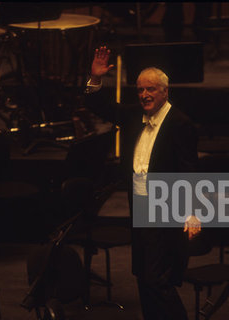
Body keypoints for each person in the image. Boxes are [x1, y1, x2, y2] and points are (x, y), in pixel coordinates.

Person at [84, 46, 199, 319]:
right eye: (140, 90)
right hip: (139, 200)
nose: (145, 95)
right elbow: (98, 105)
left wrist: (193, 211)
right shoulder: (135, 114)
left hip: (166, 204)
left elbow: (189, 170)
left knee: (157, 278)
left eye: (150, 90)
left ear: (165, 91)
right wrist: (96, 78)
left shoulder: (180, 124)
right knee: (143, 275)